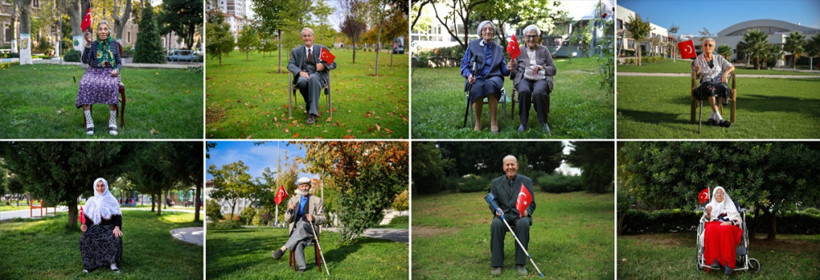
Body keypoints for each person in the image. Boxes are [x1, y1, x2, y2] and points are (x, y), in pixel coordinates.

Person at [460, 20, 511, 134]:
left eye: (490, 29)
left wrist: (509, 69)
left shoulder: (498, 49)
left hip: (494, 77)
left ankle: (494, 122)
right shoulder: (472, 45)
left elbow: (503, 70)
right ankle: (478, 122)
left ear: (493, 33)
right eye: (485, 29)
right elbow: (464, 65)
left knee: (491, 86)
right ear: (481, 32)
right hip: (476, 76)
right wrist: (469, 76)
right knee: (478, 87)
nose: (488, 31)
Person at [489, 155, 536, 276]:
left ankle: (520, 264)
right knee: (496, 225)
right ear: (503, 167)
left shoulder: (526, 181)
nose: (510, 167)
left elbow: (531, 203)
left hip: (520, 214)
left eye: (512, 164)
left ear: (517, 166)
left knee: (524, 224)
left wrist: (527, 211)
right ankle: (497, 265)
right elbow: (493, 201)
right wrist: (496, 210)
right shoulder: (496, 183)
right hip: (503, 215)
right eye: (507, 165)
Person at [76, 20, 122, 136]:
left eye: (105, 29)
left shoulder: (114, 45)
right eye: (100, 29)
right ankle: (89, 122)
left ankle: (112, 121)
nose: (103, 31)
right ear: (97, 31)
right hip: (94, 71)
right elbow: (85, 61)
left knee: (111, 85)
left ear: (109, 31)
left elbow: (119, 63)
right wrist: (87, 44)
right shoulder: (94, 44)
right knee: (85, 84)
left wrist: (116, 69)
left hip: (110, 71)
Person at [271, 177, 327, 272]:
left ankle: (283, 249)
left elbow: (323, 219)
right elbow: (287, 219)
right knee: (298, 242)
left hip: (310, 228)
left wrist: (314, 218)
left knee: (303, 224)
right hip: (297, 230)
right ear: (299, 187)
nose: (304, 188)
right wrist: (290, 210)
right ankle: (302, 267)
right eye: (302, 186)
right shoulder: (293, 200)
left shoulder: (317, 200)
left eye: (306, 186)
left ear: (309, 187)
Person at [508, 25, 556, 133]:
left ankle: (543, 122)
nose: (531, 39)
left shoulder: (544, 50)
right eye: (528, 36)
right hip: (523, 78)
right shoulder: (518, 51)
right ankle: (523, 123)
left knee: (539, 92)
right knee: (524, 91)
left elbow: (553, 69)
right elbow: (514, 72)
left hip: (541, 78)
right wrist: (511, 69)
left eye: (534, 36)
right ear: (524, 37)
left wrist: (541, 67)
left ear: (538, 37)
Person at [287, 28, 337, 125]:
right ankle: (311, 106)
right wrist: (299, 71)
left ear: (313, 37)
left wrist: (323, 66)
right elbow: (290, 65)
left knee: (313, 78)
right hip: (304, 75)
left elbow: (333, 64)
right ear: (301, 38)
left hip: (318, 76)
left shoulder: (322, 49)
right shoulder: (296, 51)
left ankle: (312, 113)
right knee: (301, 81)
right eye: (304, 36)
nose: (307, 38)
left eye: (309, 35)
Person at [80, 178, 123, 274]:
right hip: (95, 227)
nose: (100, 188)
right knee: (85, 237)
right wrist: (85, 226)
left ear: (106, 186)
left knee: (115, 237)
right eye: (98, 186)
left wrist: (117, 227)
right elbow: (87, 218)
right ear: (95, 187)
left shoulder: (111, 200)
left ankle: (113, 264)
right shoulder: (91, 200)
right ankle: (89, 264)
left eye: (102, 185)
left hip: (109, 227)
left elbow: (117, 216)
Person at [691, 38, 735, 128]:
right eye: (705, 45)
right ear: (702, 47)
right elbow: (695, 73)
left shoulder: (719, 58)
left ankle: (711, 118)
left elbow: (732, 67)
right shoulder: (698, 59)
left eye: (710, 45)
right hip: (706, 84)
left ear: (713, 48)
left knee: (722, 88)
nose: (707, 47)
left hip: (719, 83)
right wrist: (697, 70)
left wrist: (726, 73)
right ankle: (719, 119)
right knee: (711, 89)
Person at [702, 186, 742, 274]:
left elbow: (738, 220)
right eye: (717, 193)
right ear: (714, 195)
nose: (719, 195)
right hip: (714, 224)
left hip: (729, 225)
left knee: (726, 230)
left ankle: (728, 263)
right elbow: (706, 221)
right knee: (710, 228)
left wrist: (730, 223)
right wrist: (708, 214)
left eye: (721, 193)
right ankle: (714, 259)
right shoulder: (710, 206)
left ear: (725, 195)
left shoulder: (730, 205)